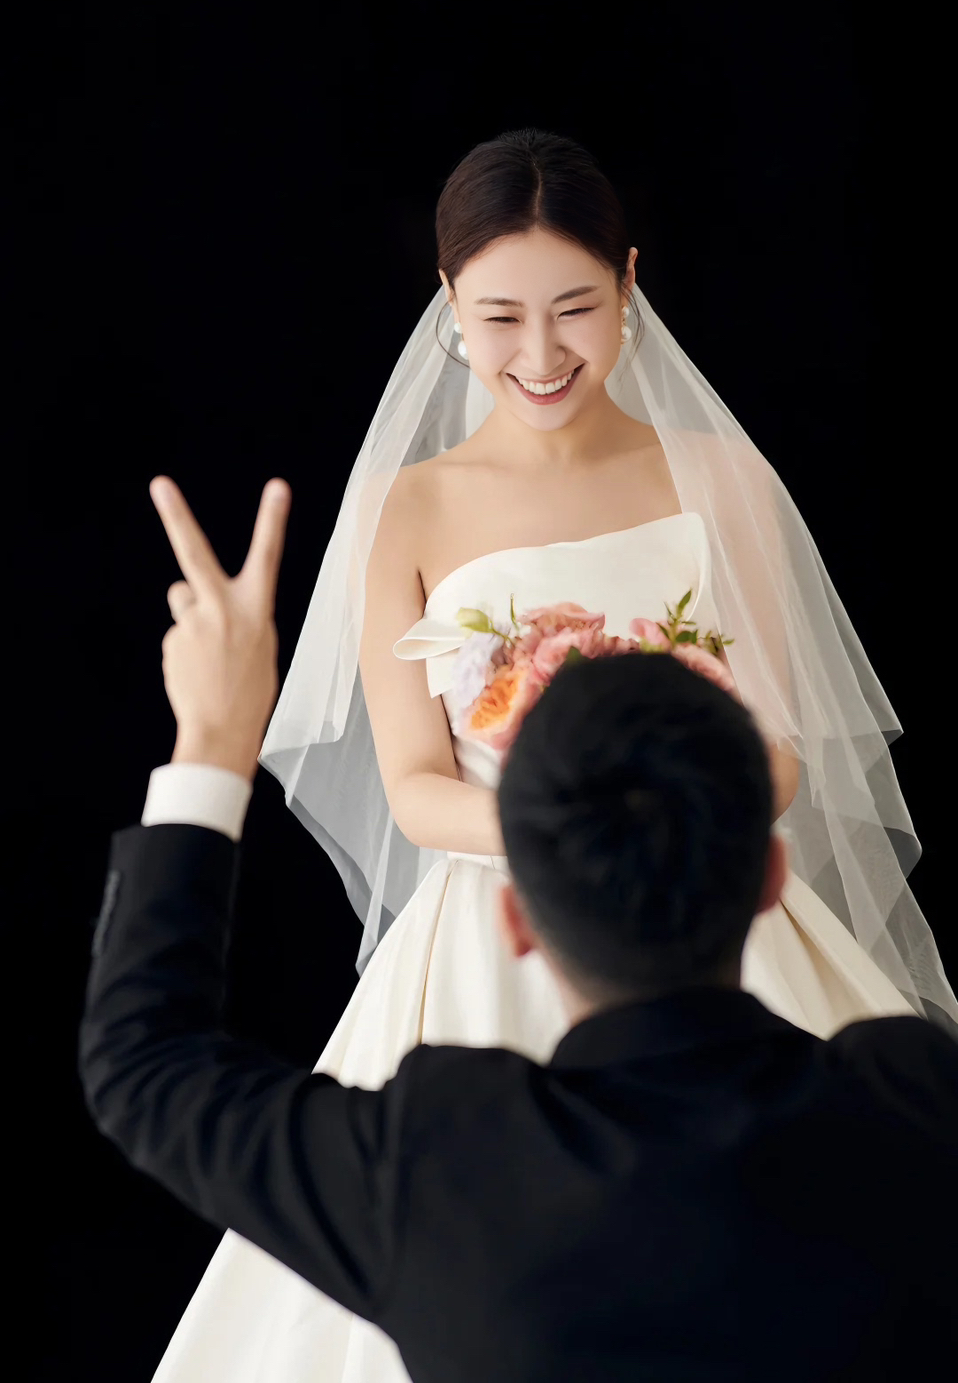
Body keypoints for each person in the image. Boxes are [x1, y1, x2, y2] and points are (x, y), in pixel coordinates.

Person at [148, 130, 958, 1381]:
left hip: (709, 908)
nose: (540, 355)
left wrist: (674, 817)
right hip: (496, 914)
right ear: (447, 306)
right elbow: (417, 786)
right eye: (499, 317)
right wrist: (567, 829)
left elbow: (782, 752)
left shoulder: (720, 477)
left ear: (629, 283)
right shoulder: (409, 505)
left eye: (575, 307)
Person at [80, 475, 958, 1383]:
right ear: (770, 875)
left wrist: (212, 741)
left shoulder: (433, 1165)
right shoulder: (914, 1100)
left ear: (518, 916)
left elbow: (144, 1071)